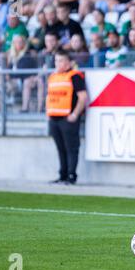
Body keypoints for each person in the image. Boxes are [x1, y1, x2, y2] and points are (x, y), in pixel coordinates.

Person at [46, 49, 88, 185]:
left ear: (69, 62)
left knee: (71, 148)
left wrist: (75, 114)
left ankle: (71, 175)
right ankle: (62, 175)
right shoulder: (53, 76)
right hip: (54, 118)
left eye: (61, 60)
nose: (58, 63)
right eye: (56, 60)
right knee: (60, 148)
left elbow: (83, 97)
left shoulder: (74, 76)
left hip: (67, 118)